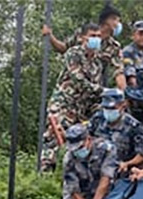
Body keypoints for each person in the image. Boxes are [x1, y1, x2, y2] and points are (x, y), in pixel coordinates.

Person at [40, 23, 108, 172]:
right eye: (92, 36)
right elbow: (79, 81)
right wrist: (104, 91)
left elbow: (94, 94)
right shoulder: (74, 54)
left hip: (81, 109)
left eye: (98, 36)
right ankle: (45, 175)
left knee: (79, 142)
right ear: (83, 37)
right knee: (53, 138)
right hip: (64, 104)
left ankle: (71, 175)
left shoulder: (97, 63)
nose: (96, 39)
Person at [44, 6, 126, 89]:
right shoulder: (84, 34)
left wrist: (122, 92)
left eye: (118, 21)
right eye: (114, 19)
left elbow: (119, 71)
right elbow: (63, 48)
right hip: (70, 89)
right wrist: (50, 36)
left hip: (92, 90)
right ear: (105, 21)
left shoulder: (114, 47)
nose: (117, 24)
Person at [61, 123, 118, 199]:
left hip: (104, 192)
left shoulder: (106, 149)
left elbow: (105, 180)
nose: (77, 151)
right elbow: (74, 191)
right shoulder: (69, 158)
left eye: (80, 147)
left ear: (89, 139)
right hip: (80, 195)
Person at [88, 88, 143, 173]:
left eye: (112, 108)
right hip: (96, 166)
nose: (108, 111)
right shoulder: (97, 119)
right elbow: (87, 138)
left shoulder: (133, 126)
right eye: (105, 108)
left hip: (119, 169)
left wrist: (127, 163)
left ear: (123, 105)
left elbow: (142, 155)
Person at [121, 20, 143, 89]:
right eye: (140, 34)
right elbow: (131, 78)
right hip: (136, 89)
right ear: (133, 35)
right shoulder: (128, 51)